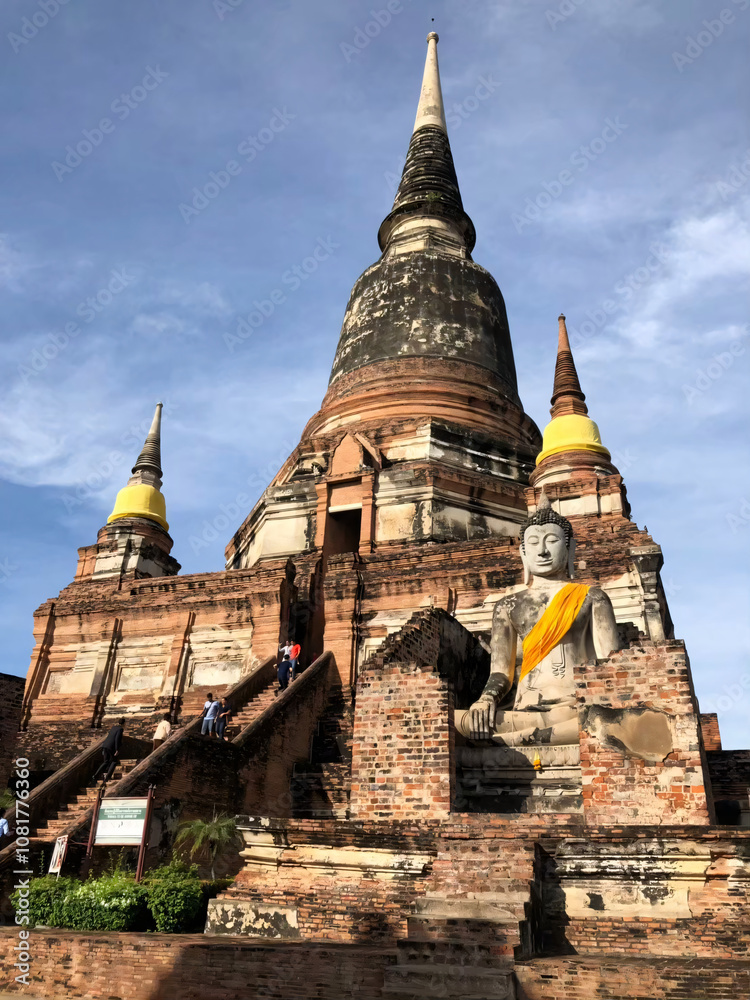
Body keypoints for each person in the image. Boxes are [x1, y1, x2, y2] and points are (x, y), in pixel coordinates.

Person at [455, 497, 620, 747]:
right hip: (524, 709)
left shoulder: (591, 597)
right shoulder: (508, 606)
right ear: (523, 552)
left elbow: (611, 666)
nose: (541, 551)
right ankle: (529, 738)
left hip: (574, 707)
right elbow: (501, 672)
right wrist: (486, 699)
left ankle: (516, 742)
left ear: (570, 548)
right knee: (449, 723)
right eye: (533, 543)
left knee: (605, 723)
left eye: (551, 541)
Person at [94, 718, 125, 782]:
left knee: (106, 761)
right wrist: (117, 749)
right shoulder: (120, 729)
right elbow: (117, 739)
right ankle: (108, 776)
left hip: (105, 745)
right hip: (111, 747)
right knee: (114, 761)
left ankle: (95, 775)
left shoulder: (113, 728)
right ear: (124, 723)